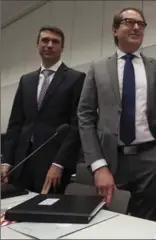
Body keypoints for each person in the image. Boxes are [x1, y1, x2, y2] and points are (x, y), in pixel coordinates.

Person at [77, 7, 156, 222]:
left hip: (152, 159)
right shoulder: (98, 68)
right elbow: (85, 116)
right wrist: (98, 166)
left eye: (141, 24)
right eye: (128, 22)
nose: (136, 27)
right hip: (111, 161)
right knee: (110, 223)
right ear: (115, 29)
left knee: (151, 223)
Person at [1, 26, 85, 194]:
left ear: (62, 47)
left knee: (46, 213)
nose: (49, 45)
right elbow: (15, 124)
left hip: (52, 166)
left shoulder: (76, 78)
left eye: (55, 42)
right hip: (21, 162)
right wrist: (6, 162)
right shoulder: (27, 81)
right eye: (45, 40)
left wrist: (59, 163)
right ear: (37, 45)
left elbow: (76, 126)